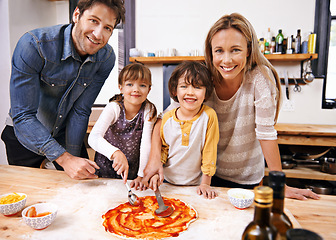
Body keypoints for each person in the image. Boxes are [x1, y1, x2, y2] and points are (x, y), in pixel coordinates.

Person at [143, 13, 319, 201]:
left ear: (249, 50)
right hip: (206, 176)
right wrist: (154, 158)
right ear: (211, 52)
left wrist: (279, 184)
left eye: (235, 50)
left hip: (246, 178)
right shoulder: (202, 78)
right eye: (219, 51)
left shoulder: (260, 78)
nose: (226, 60)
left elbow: (266, 133)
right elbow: (165, 118)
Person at [1, 0, 126, 180]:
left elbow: (81, 110)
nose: (98, 34)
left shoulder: (106, 58)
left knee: (80, 192)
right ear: (76, 15)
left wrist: (73, 159)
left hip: (65, 134)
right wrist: (65, 160)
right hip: (24, 137)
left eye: (107, 28)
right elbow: (23, 116)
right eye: (93, 21)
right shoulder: (33, 45)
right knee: (32, 201)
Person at [149, 61, 219, 199]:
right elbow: (163, 149)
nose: (190, 92)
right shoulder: (167, 118)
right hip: (167, 183)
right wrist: (157, 174)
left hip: (196, 186)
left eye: (197, 87)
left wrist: (206, 183)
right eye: (184, 86)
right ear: (175, 90)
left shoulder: (209, 116)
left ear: (206, 92)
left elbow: (209, 151)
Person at [88, 63, 157, 187]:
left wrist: (141, 175)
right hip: (106, 167)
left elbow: (146, 144)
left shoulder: (149, 110)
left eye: (142, 85)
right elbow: (93, 138)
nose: (136, 89)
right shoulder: (114, 107)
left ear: (149, 89)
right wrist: (116, 153)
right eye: (130, 84)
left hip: (132, 170)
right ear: (121, 87)